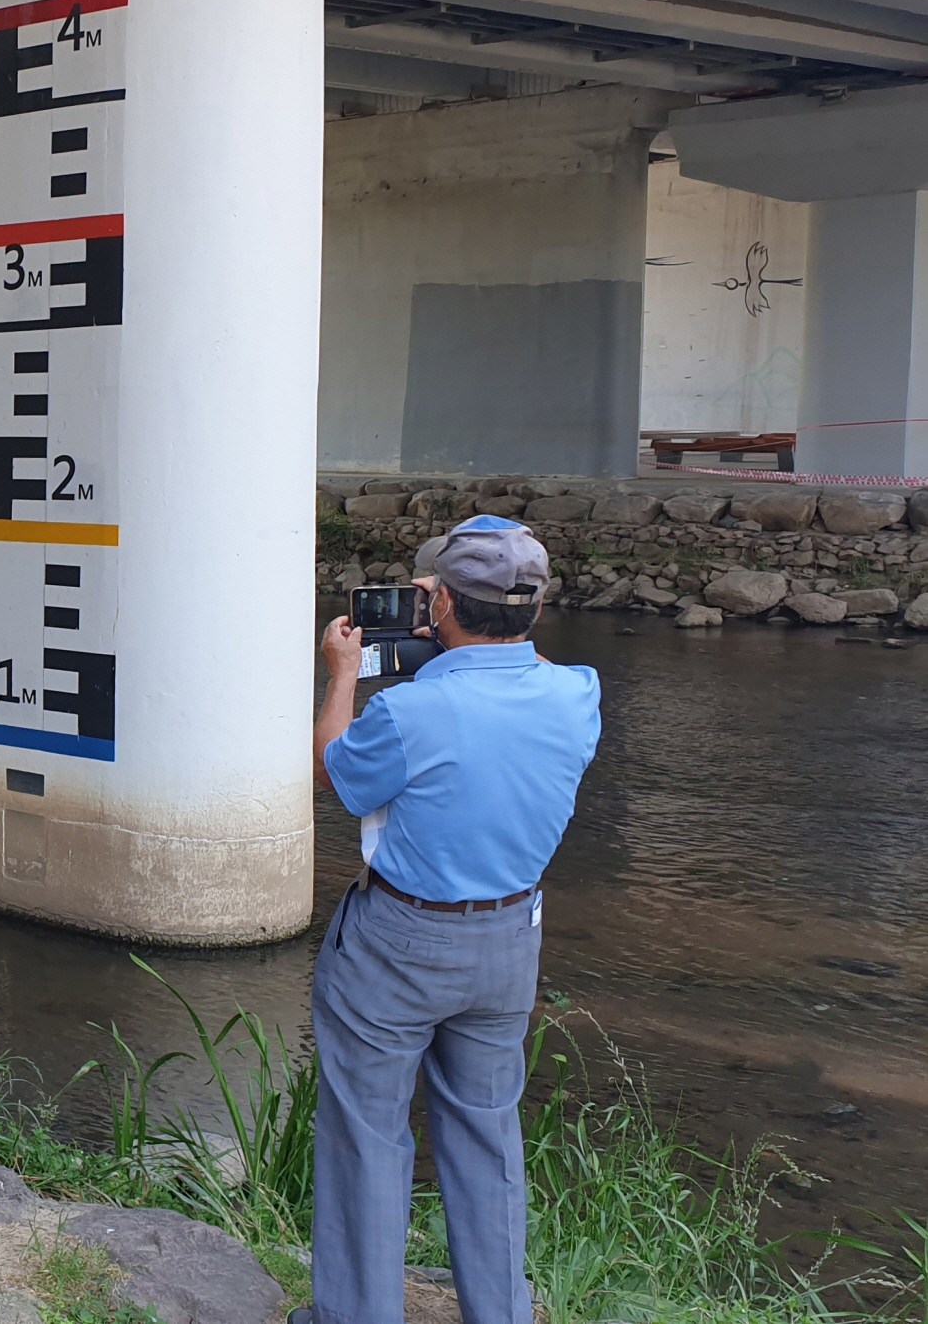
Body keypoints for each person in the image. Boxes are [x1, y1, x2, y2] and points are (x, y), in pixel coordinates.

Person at [304, 515, 602, 1324]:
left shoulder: (409, 711)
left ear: (436, 603)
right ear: (532, 607)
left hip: (397, 943)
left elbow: (335, 771)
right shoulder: (577, 694)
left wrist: (342, 674)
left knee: (367, 1136)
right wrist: (466, 634)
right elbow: (517, 673)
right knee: (486, 1136)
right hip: (508, 941)